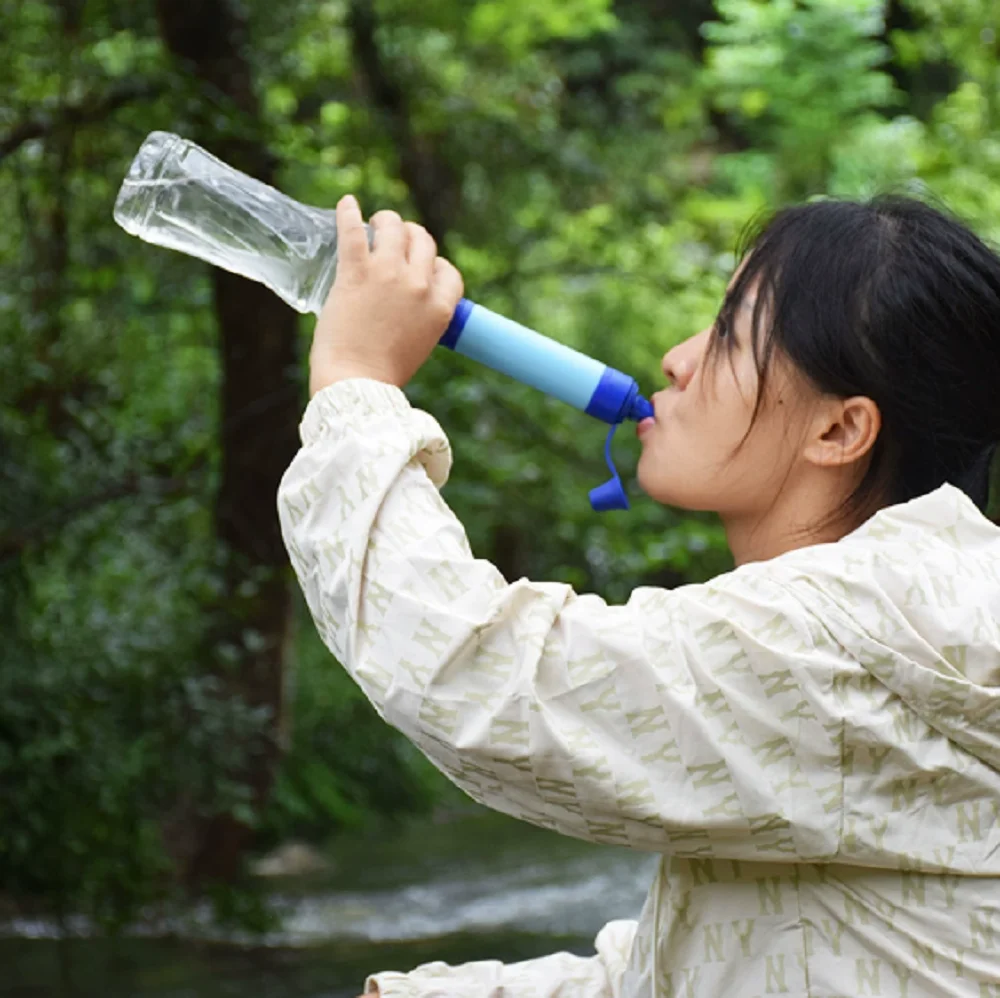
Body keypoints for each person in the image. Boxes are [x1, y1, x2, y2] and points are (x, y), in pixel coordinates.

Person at [277, 193, 1000, 998]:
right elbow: (719, 958)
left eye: (729, 337)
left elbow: (486, 681)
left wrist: (353, 385)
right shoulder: (917, 607)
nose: (677, 358)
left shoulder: (851, 627)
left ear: (838, 431)